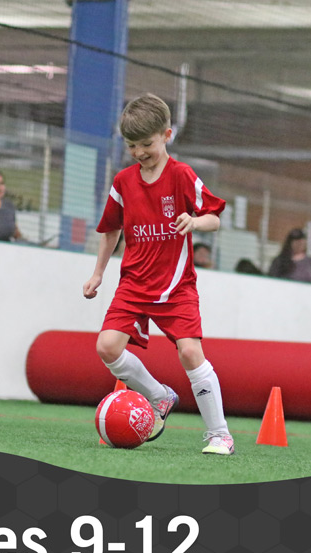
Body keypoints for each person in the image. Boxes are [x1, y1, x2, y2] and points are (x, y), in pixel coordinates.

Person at [83, 93, 234, 456]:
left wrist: (195, 220)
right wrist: (98, 272)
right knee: (106, 346)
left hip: (176, 286)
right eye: (131, 145)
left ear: (167, 135)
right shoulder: (123, 182)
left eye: (146, 143)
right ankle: (159, 395)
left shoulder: (182, 176)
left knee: (189, 352)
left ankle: (220, 435)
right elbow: (110, 229)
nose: (138, 152)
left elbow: (214, 217)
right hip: (134, 282)